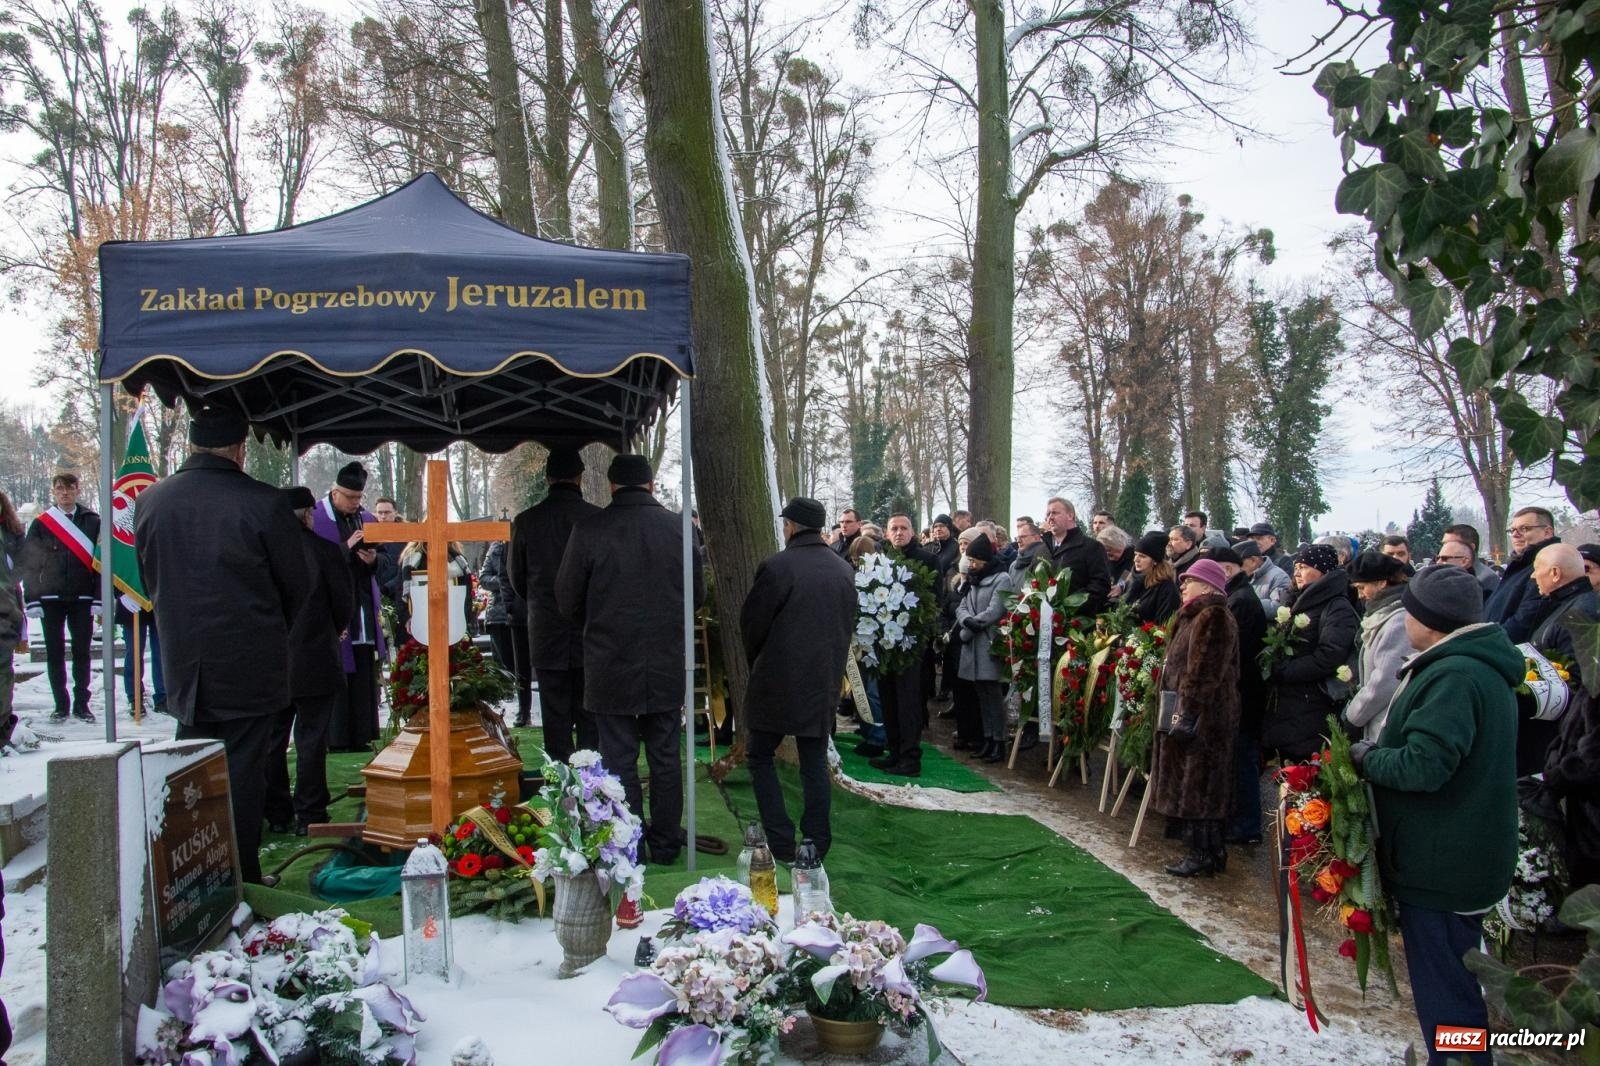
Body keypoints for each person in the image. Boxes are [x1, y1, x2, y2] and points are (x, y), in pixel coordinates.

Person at [1349, 565, 1519, 1065]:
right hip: (1456, 850)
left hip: (1446, 862)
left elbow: (1424, 766)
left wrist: (1367, 758)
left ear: (1429, 619)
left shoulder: (1456, 674)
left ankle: (1460, 1060)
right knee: (1451, 987)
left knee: (1448, 994)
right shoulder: (1464, 664)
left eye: (1411, 611)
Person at [135, 406, 310, 883]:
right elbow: (296, 585)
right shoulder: (264, 502)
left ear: (192, 444)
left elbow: (151, 579)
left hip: (183, 660)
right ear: (239, 448)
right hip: (247, 660)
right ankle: (242, 874)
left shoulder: (151, 502)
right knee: (243, 773)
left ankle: (191, 875)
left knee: (189, 772)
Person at [555, 454, 704, 865]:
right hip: (667, 659)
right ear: (652, 484)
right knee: (665, 755)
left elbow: (567, 600)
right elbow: (698, 597)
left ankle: (629, 843)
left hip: (609, 661)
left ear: (611, 485)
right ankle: (668, 844)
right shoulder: (680, 530)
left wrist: (602, 619)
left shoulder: (589, 530)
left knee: (619, 756)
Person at [739, 497, 856, 860]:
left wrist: (757, 662)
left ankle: (780, 838)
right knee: (813, 761)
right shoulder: (842, 570)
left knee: (759, 756)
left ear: (790, 525)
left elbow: (752, 624)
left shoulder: (777, 566)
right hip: (822, 680)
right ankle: (816, 841)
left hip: (777, 678)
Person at [266, 487, 355, 837]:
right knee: (312, 739)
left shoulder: (265, 553)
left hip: (273, 659)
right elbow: (342, 603)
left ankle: (276, 812)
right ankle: (310, 811)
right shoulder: (325, 551)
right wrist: (330, 630)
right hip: (316, 656)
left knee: (273, 740)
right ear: (307, 515)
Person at [1150, 559, 1241, 877]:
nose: (1183, 584)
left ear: (1209, 586)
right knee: (1192, 782)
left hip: (1204, 716)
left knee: (1200, 785)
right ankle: (1208, 850)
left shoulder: (1212, 616)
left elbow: (1203, 671)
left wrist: (1187, 714)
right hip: (1188, 708)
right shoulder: (1193, 616)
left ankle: (1202, 852)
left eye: (1190, 580)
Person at [510, 448, 602, 759]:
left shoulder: (525, 522)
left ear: (548, 478)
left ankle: (560, 780)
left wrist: (541, 601)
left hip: (546, 628)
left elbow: (517, 577)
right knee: (590, 712)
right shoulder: (597, 519)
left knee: (554, 714)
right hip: (590, 629)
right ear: (580, 477)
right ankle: (592, 783)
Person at [1261, 544, 1359, 763]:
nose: (1296, 572)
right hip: (1289, 700)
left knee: (1304, 765)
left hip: (1311, 701)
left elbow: (1329, 655)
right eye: (1296, 566)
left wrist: (1286, 671)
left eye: (1304, 566)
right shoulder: (1297, 600)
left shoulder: (1336, 606)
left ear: (1323, 571)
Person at [312, 462, 385, 751]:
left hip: (363, 606)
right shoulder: (317, 519)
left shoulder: (366, 518)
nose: (356, 504)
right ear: (335, 492)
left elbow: (386, 561)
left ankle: (363, 733)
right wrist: (345, 548)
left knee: (364, 668)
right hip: (333, 610)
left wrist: (373, 561)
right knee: (339, 670)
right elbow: (313, 561)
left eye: (359, 498)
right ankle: (338, 737)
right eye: (350, 498)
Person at [19, 472, 100, 722]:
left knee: (82, 652)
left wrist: (98, 596)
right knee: (55, 653)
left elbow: (102, 561)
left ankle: (82, 704)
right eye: (60, 488)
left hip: (83, 596)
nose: (65, 492)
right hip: (50, 597)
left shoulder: (93, 521)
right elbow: (31, 563)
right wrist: (32, 598)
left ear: (78, 489)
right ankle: (61, 705)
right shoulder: (42, 523)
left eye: (70, 488)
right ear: (53, 491)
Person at [1206, 547, 1268, 846]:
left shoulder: (1240, 601)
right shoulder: (1236, 596)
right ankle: (1238, 819)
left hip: (1243, 691)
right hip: (1240, 689)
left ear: (1227, 570)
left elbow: (1234, 650)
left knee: (1242, 757)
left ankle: (1247, 825)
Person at [1521, 543, 1600, 776]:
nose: (1534, 575)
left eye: (1537, 568)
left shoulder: (1580, 613)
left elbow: (1580, 686)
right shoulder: (1566, 605)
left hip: (1564, 740)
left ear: (1555, 573)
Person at [874, 513, 939, 775]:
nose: (899, 532)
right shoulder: (881, 559)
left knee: (908, 700)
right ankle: (894, 750)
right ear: (887, 533)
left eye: (903, 528)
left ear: (912, 532)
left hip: (911, 644)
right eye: (894, 529)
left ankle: (910, 757)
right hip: (883, 642)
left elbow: (934, 601)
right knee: (887, 697)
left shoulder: (928, 560)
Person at [1342, 551, 1411, 743]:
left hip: (1387, 721)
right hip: (1378, 717)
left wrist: (1353, 715)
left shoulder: (1398, 620)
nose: (1360, 595)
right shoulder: (1384, 613)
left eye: (1362, 587)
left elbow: (1385, 680)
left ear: (1381, 583)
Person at [954, 535, 1010, 763]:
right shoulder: (973, 579)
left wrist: (973, 624)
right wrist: (967, 620)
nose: (971, 564)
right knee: (981, 696)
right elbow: (962, 605)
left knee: (994, 696)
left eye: (975, 560)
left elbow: (996, 609)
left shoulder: (1001, 578)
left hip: (988, 642)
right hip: (972, 643)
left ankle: (999, 740)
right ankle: (986, 738)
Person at [1485, 506, 1561, 642]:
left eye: (1525, 529)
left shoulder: (1545, 568)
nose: (1515, 534)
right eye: (1512, 530)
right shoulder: (1520, 565)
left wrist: (1488, 643)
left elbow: (1525, 620)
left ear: (1547, 532)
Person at [479, 541, 533, 727]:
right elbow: (485, 577)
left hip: (529, 609)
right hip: (503, 613)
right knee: (511, 664)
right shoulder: (498, 548)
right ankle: (521, 710)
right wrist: (508, 583)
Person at [1042, 496, 1111, 614]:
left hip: (1076, 623)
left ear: (1070, 515)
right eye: (1048, 514)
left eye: (1054, 513)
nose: (1050, 518)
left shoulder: (1092, 547)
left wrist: (1072, 607)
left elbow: (1100, 586)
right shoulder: (1041, 550)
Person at [1125, 531, 1180, 625]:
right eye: (1135, 554)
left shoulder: (1166, 588)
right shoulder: (1132, 580)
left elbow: (1163, 624)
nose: (1136, 559)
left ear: (1154, 560)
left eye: (1142, 556)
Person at [1443, 523, 1500, 600]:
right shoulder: (1445, 576)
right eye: (1444, 544)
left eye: (1450, 544)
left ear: (1470, 548)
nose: (1445, 548)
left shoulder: (1486, 579)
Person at [1235, 539, 1290, 612]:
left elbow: (1279, 608)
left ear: (1253, 560)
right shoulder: (1243, 577)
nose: (1238, 569)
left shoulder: (1279, 576)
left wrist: (1245, 603)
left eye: (1239, 564)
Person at [1098, 525, 1134, 593]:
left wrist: (1120, 586)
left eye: (1110, 554)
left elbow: (1127, 573)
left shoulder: (1134, 556)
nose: (1109, 558)